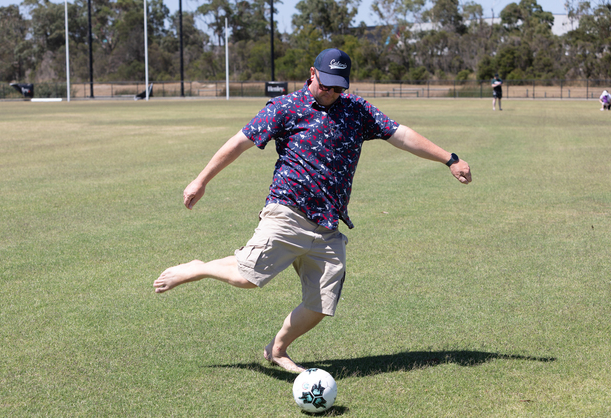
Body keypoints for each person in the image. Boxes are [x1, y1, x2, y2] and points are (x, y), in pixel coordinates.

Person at [153, 48, 472, 373]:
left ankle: (277, 350)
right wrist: (201, 180)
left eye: (338, 87)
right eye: (326, 84)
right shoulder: (285, 107)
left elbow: (401, 135)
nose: (331, 92)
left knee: (322, 303)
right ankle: (199, 268)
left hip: (328, 224)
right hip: (287, 210)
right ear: (312, 73)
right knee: (247, 278)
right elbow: (239, 142)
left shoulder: (357, 110)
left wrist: (449, 158)